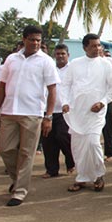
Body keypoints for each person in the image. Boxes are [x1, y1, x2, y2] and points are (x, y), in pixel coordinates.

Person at [0, 25, 60, 206]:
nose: (36, 43)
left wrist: (49, 116)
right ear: (24, 39)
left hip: (32, 113)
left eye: (38, 40)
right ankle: (17, 179)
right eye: (32, 39)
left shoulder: (46, 61)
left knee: (26, 153)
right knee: (5, 148)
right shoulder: (11, 59)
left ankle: (20, 191)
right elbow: (2, 87)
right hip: (8, 111)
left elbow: (52, 90)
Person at [60, 34, 112, 193]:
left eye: (99, 45)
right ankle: (82, 178)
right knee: (78, 147)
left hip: (96, 113)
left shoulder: (106, 65)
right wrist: (65, 102)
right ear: (85, 47)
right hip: (77, 112)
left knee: (93, 143)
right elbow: (65, 85)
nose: (97, 49)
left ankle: (99, 174)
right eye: (93, 46)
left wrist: (103, 102)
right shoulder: (75, 64)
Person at [41, 44, 75, 178]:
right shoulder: (49, 69)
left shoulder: (73, 69)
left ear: (68, 55)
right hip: (48, 110)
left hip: (65, 111)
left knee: (63, 137)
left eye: (63, 54)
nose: (60, 56)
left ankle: (71, 163)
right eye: (58, 54)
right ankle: (51, 170)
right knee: (48, 141)